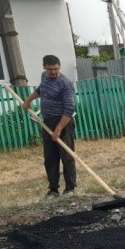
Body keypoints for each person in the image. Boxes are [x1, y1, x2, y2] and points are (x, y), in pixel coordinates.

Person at [22, 55, 77, 198]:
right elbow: (41, 90)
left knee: (67, 156)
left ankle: (70, 188)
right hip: (47, 122)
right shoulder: (44, 77)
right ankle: (53, 189)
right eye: (50, 69)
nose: (53, 72)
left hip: (63, 122)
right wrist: (28, 100)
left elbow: (69, 109)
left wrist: (58, 129)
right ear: (44, 68)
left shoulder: (65, 84)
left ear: (60, 66)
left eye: (56, 69)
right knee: (50, 157)